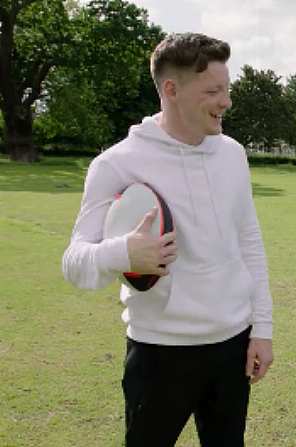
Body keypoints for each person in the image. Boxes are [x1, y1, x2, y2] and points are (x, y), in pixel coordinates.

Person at [62, 33, 273, 446]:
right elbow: (74, 261)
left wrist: (261, 328)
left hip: (233, 345)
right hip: (159, 353)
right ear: (171, 90)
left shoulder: (233, 154)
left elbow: (249, 241)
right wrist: (124, 252)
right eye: (213, 90)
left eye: (227, 88)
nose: (226, 101)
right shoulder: (116, 163)